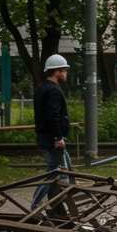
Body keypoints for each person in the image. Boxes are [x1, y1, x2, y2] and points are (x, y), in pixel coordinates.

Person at [31, 54, 72, 210]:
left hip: (47, 138)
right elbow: (52, 116)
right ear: (57, 72)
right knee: (54, 174)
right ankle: (36, 205)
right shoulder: (53, 91)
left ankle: (59, 207)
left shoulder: (42, 88)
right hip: (53, 140)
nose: (66, 74)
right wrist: (58, 137)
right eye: (64, 70)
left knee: (66, 171)